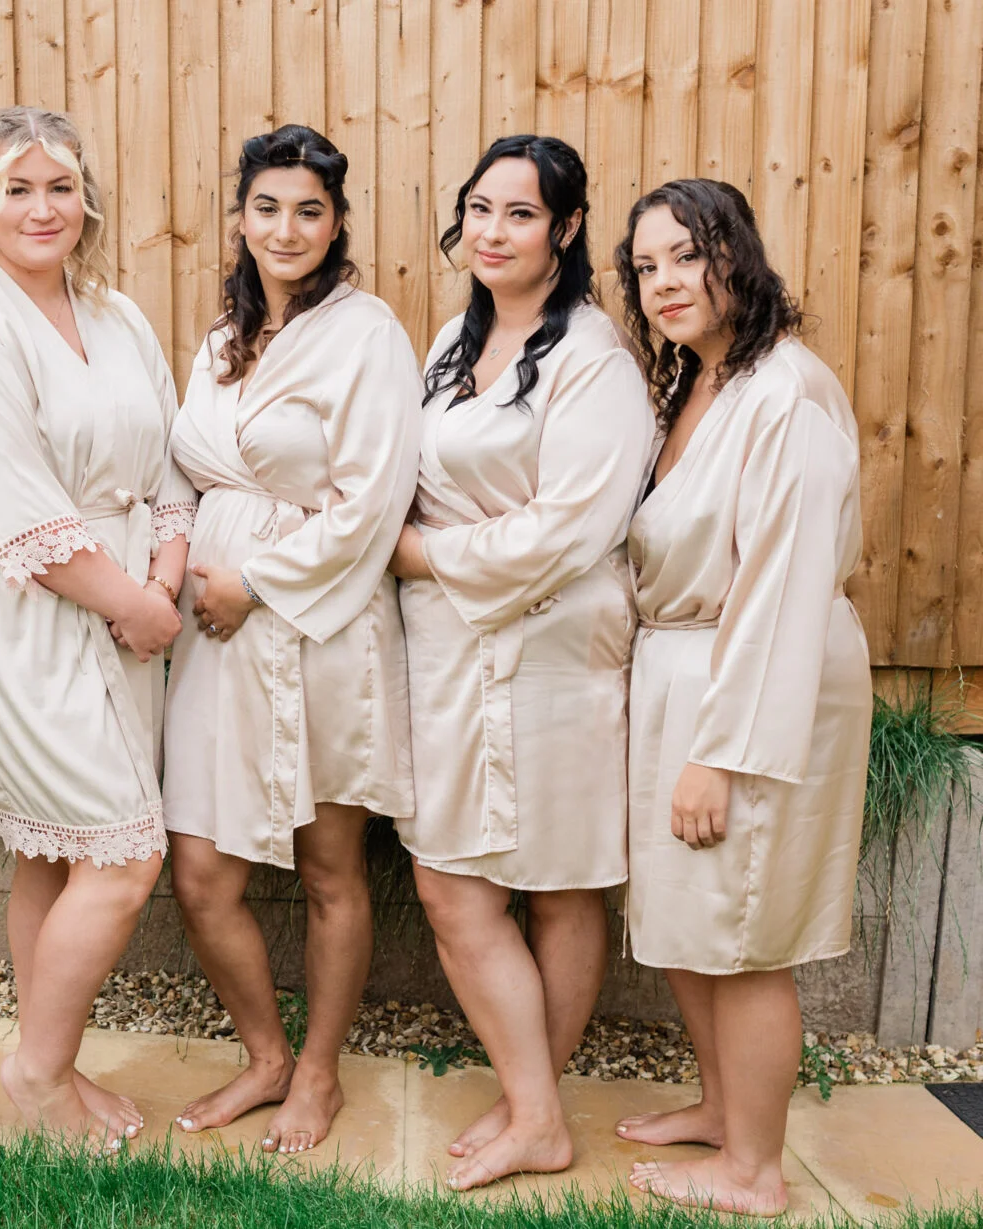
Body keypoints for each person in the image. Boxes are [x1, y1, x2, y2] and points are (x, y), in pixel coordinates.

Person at [0, 106, 194, 1151]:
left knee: (57, 846)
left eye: (61, 187)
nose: (43, 208)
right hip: (23, 609)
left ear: (87, 199)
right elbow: (18, 506)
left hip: (129, 600)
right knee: (121, 851)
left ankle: (54, 1060)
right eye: (18, 188)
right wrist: (134, 602)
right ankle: (35, 1076)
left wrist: (163, 572)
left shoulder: (116, 314)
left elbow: (172, 463)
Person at [387, 134, 654, 1190]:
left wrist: (423, 553)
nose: (492, 232)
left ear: (568, 228)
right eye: (480, 209)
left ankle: (537, 1110)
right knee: (453, 880)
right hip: (454, 646)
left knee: (558, 878)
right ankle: (531, 1092)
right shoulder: (452, 341)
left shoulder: (594, 358)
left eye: (521, 213)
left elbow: (570, 527)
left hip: (553, 647)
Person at [161, 124, 421, 1156]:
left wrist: (257, 583)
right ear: (240, 219)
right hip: (213, 635)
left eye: (310, 210)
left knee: (329, 866)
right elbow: (183, 472)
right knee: (200, 871)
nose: (286, 228)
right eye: (267, 207)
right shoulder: (219, 342)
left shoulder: (367, 335)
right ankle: (264, 1053)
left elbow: (373, 501)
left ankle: (318, 1071)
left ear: (337, 223)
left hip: (320, 623)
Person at [614, 178, 871, 1217]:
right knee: (696, 918)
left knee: (746, 931)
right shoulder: (698, 382)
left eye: (688, 254)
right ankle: (725, 1108)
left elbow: (781, 587)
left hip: (754, 678)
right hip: (687, 670)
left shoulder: (786, 393)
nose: (666, 281)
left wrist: (720, 752)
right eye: (647, 266)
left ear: (739, 256)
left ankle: (754, 1170)